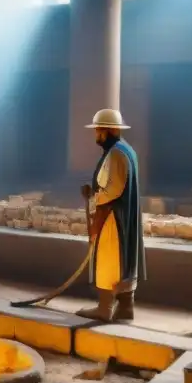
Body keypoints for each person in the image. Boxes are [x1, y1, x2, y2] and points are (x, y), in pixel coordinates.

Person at [77, 108, 145, 322]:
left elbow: (114, 189)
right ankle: (126, 307)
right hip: (125, 216)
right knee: (124, 259)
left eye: (98, 130)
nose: (96, 135)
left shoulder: (116, 153)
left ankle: (105, 308)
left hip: (113, 217)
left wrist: (94, 198)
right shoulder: (128, 151)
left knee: (109, 259)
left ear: (107, 131)